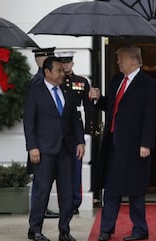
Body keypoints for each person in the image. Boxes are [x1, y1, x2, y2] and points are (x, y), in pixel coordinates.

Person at [89, 46, 156, 241]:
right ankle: (106, 228)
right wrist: (97, 99)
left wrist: (146, 143)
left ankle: (140, 228)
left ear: (132, 60)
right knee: (111, 187)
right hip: (114, 143)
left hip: (136, 145)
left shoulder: (149, 84)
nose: (118, 62)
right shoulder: (116, 81)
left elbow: (151, 117)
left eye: (120, 59)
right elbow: (111, 106)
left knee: (135, 188)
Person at [24, 56, 85, 241]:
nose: (62, 73)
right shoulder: (35, 91)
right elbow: (29, 122)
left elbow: (75, 119)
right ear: (47, 72)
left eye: (63, 70)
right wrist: (32, 147)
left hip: (66, 150)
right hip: (43, 152)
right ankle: (35, 230)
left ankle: (64, 229)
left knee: (67, 192)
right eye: (58, 70)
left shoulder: (67, 91)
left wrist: (80, 141)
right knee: (42, 192)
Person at [55, 50, 97, 215]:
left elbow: (88, 108)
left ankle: (75, 203)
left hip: (75, 131)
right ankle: (63, 203)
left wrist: (88, 131)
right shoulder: (54, 81)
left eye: (68, 62)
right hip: (58, 130)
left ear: (72, 63)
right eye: (63, 62)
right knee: (59, 169)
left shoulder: (81, 81)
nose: (65, 65)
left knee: (75, 167)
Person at [28, 47, 60, 219]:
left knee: (43, 184)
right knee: (41, 185)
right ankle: (38, 216)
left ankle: (42, 209)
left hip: (52, 144)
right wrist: (33, 146)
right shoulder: (38, 82)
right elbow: (31, 119)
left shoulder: (52, 81)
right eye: (48, 57)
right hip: (43, 144)